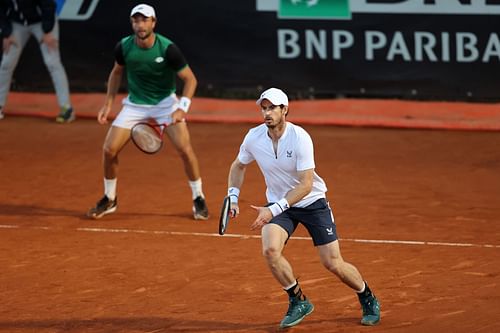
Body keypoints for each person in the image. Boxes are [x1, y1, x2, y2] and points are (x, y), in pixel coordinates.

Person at [226, 87, 381, 328]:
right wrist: (233, 197)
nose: (267, 113)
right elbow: (238, 165)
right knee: (270, 250)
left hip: (311, 203)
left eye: (272, 108)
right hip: (280, 204)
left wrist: (273, 209)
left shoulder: (299, 138)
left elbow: (306, 185)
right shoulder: (253, 137)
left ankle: (366, 296)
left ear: (285, 110)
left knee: (333, 263)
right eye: (263, 108)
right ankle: (298, 300)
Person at [87, 4, 209, 220]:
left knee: (184, 149)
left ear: (153, 23)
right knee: (109, 150)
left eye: (144, 20)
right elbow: (116, 73)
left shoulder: (168, 48)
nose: (140, 24)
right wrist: (108, 103)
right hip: (135, 104)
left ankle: (198, 197)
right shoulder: (123, 47)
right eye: (136, 20)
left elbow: (190, 79)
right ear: (132, 23)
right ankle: (110, 198)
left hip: (165, 103)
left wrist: (182, 108)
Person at [0, 0, 74, 122]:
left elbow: (49, 5)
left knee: (52, 62)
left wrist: (47, 31)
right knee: (6, 63)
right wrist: (6, 33)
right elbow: (1, 10)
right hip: (17, 23)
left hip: (42, 21)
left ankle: (67, 109)